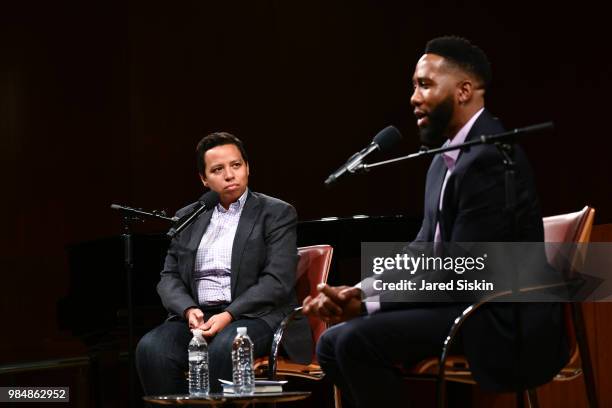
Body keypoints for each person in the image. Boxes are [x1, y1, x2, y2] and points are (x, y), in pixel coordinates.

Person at [303, 36, 568, 407]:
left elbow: (464, 273)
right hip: (459, 305)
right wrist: (360, 290)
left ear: (463, 90)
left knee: (350, 342)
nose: (413, 98)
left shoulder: (489, 157)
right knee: (333, 343)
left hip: (498, 318)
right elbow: (422, 250)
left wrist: (368, 305)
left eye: (424, 84)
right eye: (414, 86)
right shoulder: (444, 159)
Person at [136, 132, 311, 395]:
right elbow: (168, 277)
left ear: (247, 168)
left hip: (256, 316)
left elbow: (277, 281)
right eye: (218, 169)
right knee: (152, 349)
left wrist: (228, 315)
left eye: (236, 165)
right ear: (204, 179)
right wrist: (188, 310)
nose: (230, 175)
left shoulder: (275, 212)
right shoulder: (189, 216)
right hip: (198, 319)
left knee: (226, 346)